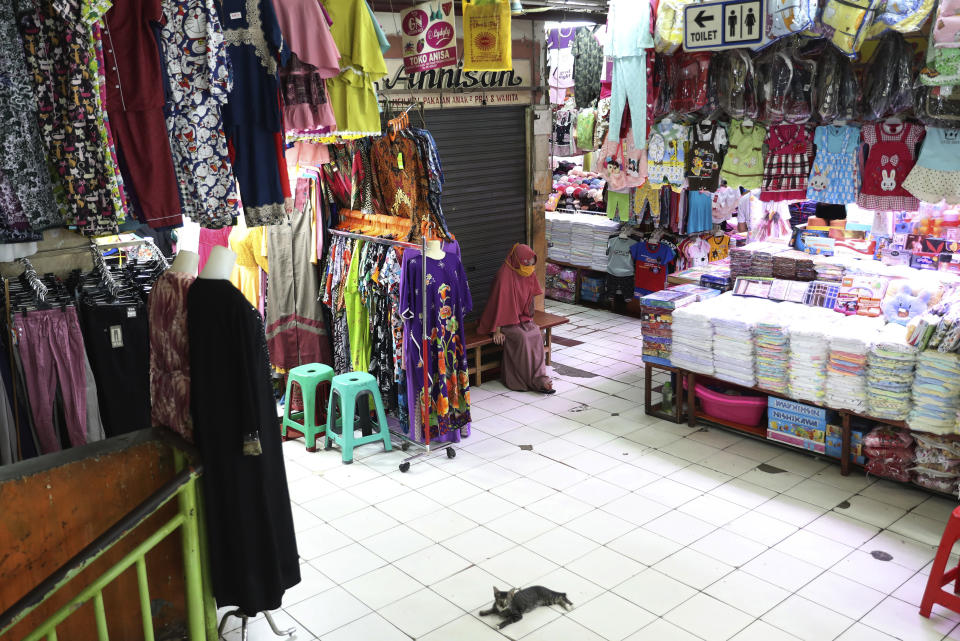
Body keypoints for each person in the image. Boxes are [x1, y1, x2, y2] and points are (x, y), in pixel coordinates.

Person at [477, 244, 555, 394]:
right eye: (527, 263)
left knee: (536, 333)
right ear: (517, 260)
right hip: (501, 322)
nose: (530, 267)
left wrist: (529, 319)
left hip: (522, 318)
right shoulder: (504, 275)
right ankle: (521, 379)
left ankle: (539, 377)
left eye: (532, 264)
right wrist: (497, 331)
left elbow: (530, 298)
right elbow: (498, 305)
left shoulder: (528, 272)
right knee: (523, 338)